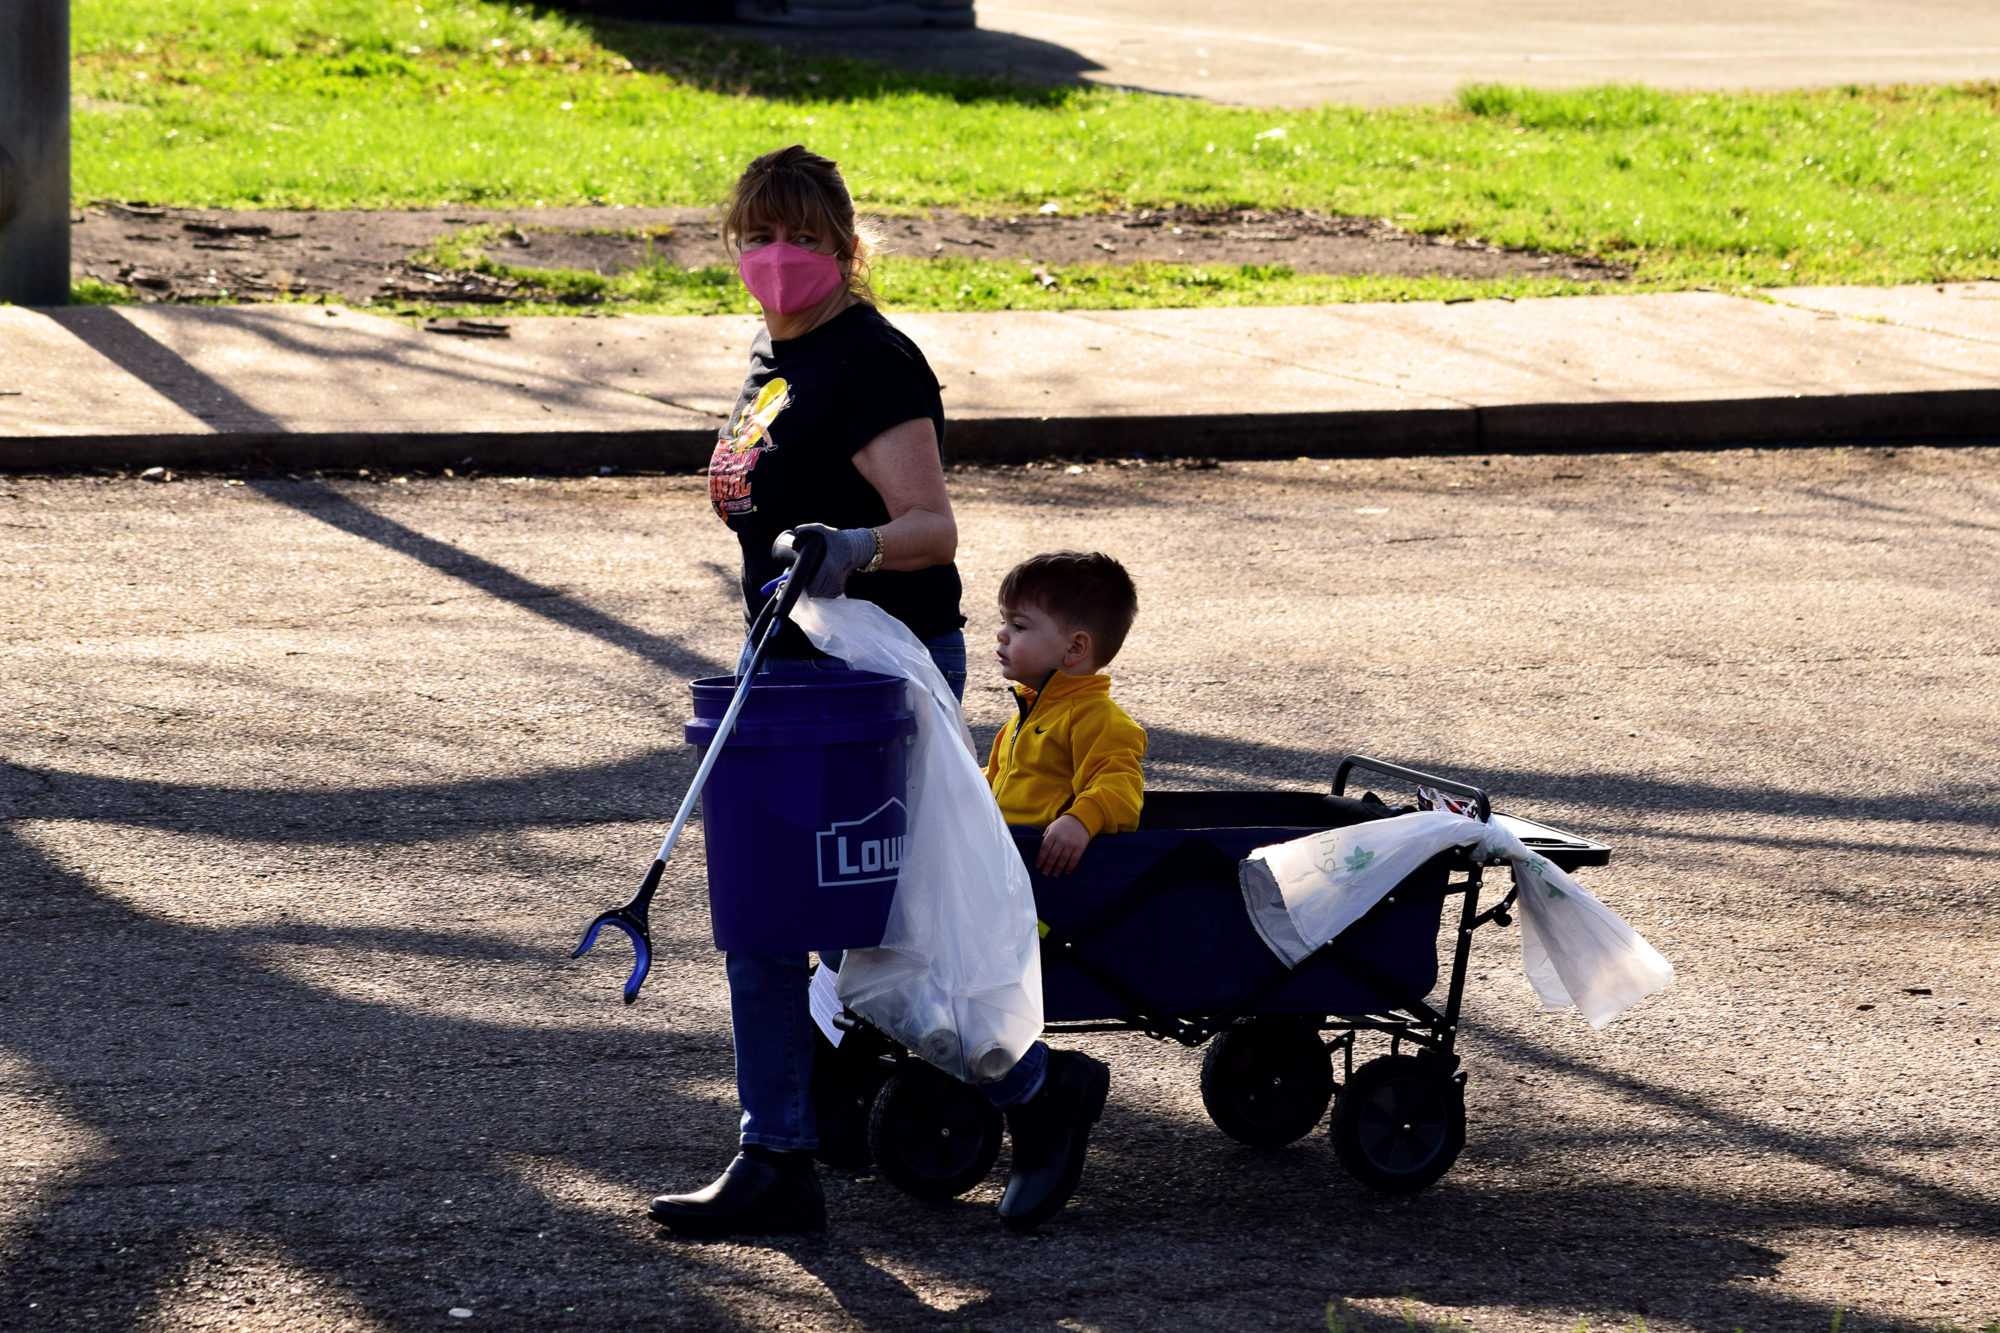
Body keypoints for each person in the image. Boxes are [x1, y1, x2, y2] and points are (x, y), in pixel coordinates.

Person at [649, 145, 1108, 1239]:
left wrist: (852, 543)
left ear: (848, 252)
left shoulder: (872, 362)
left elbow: (933, 529)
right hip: (789, 678)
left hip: (874, 679)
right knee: (763, 923)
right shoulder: (768, 358)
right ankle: (776, 1157)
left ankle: (1039, 1096)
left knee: (884, 937)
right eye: (758, 234)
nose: (777, 256)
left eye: (803, 238)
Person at [986, 552, 1147, 877]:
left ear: (1075, 648)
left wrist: (1080, 820)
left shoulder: (1099, 719)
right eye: (1004, 622)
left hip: (1049, 874)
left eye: (1018, 626)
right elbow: (995, 781)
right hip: (1006, 865)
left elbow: (1121, 785)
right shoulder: (1025, 716)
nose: (1001, 634)